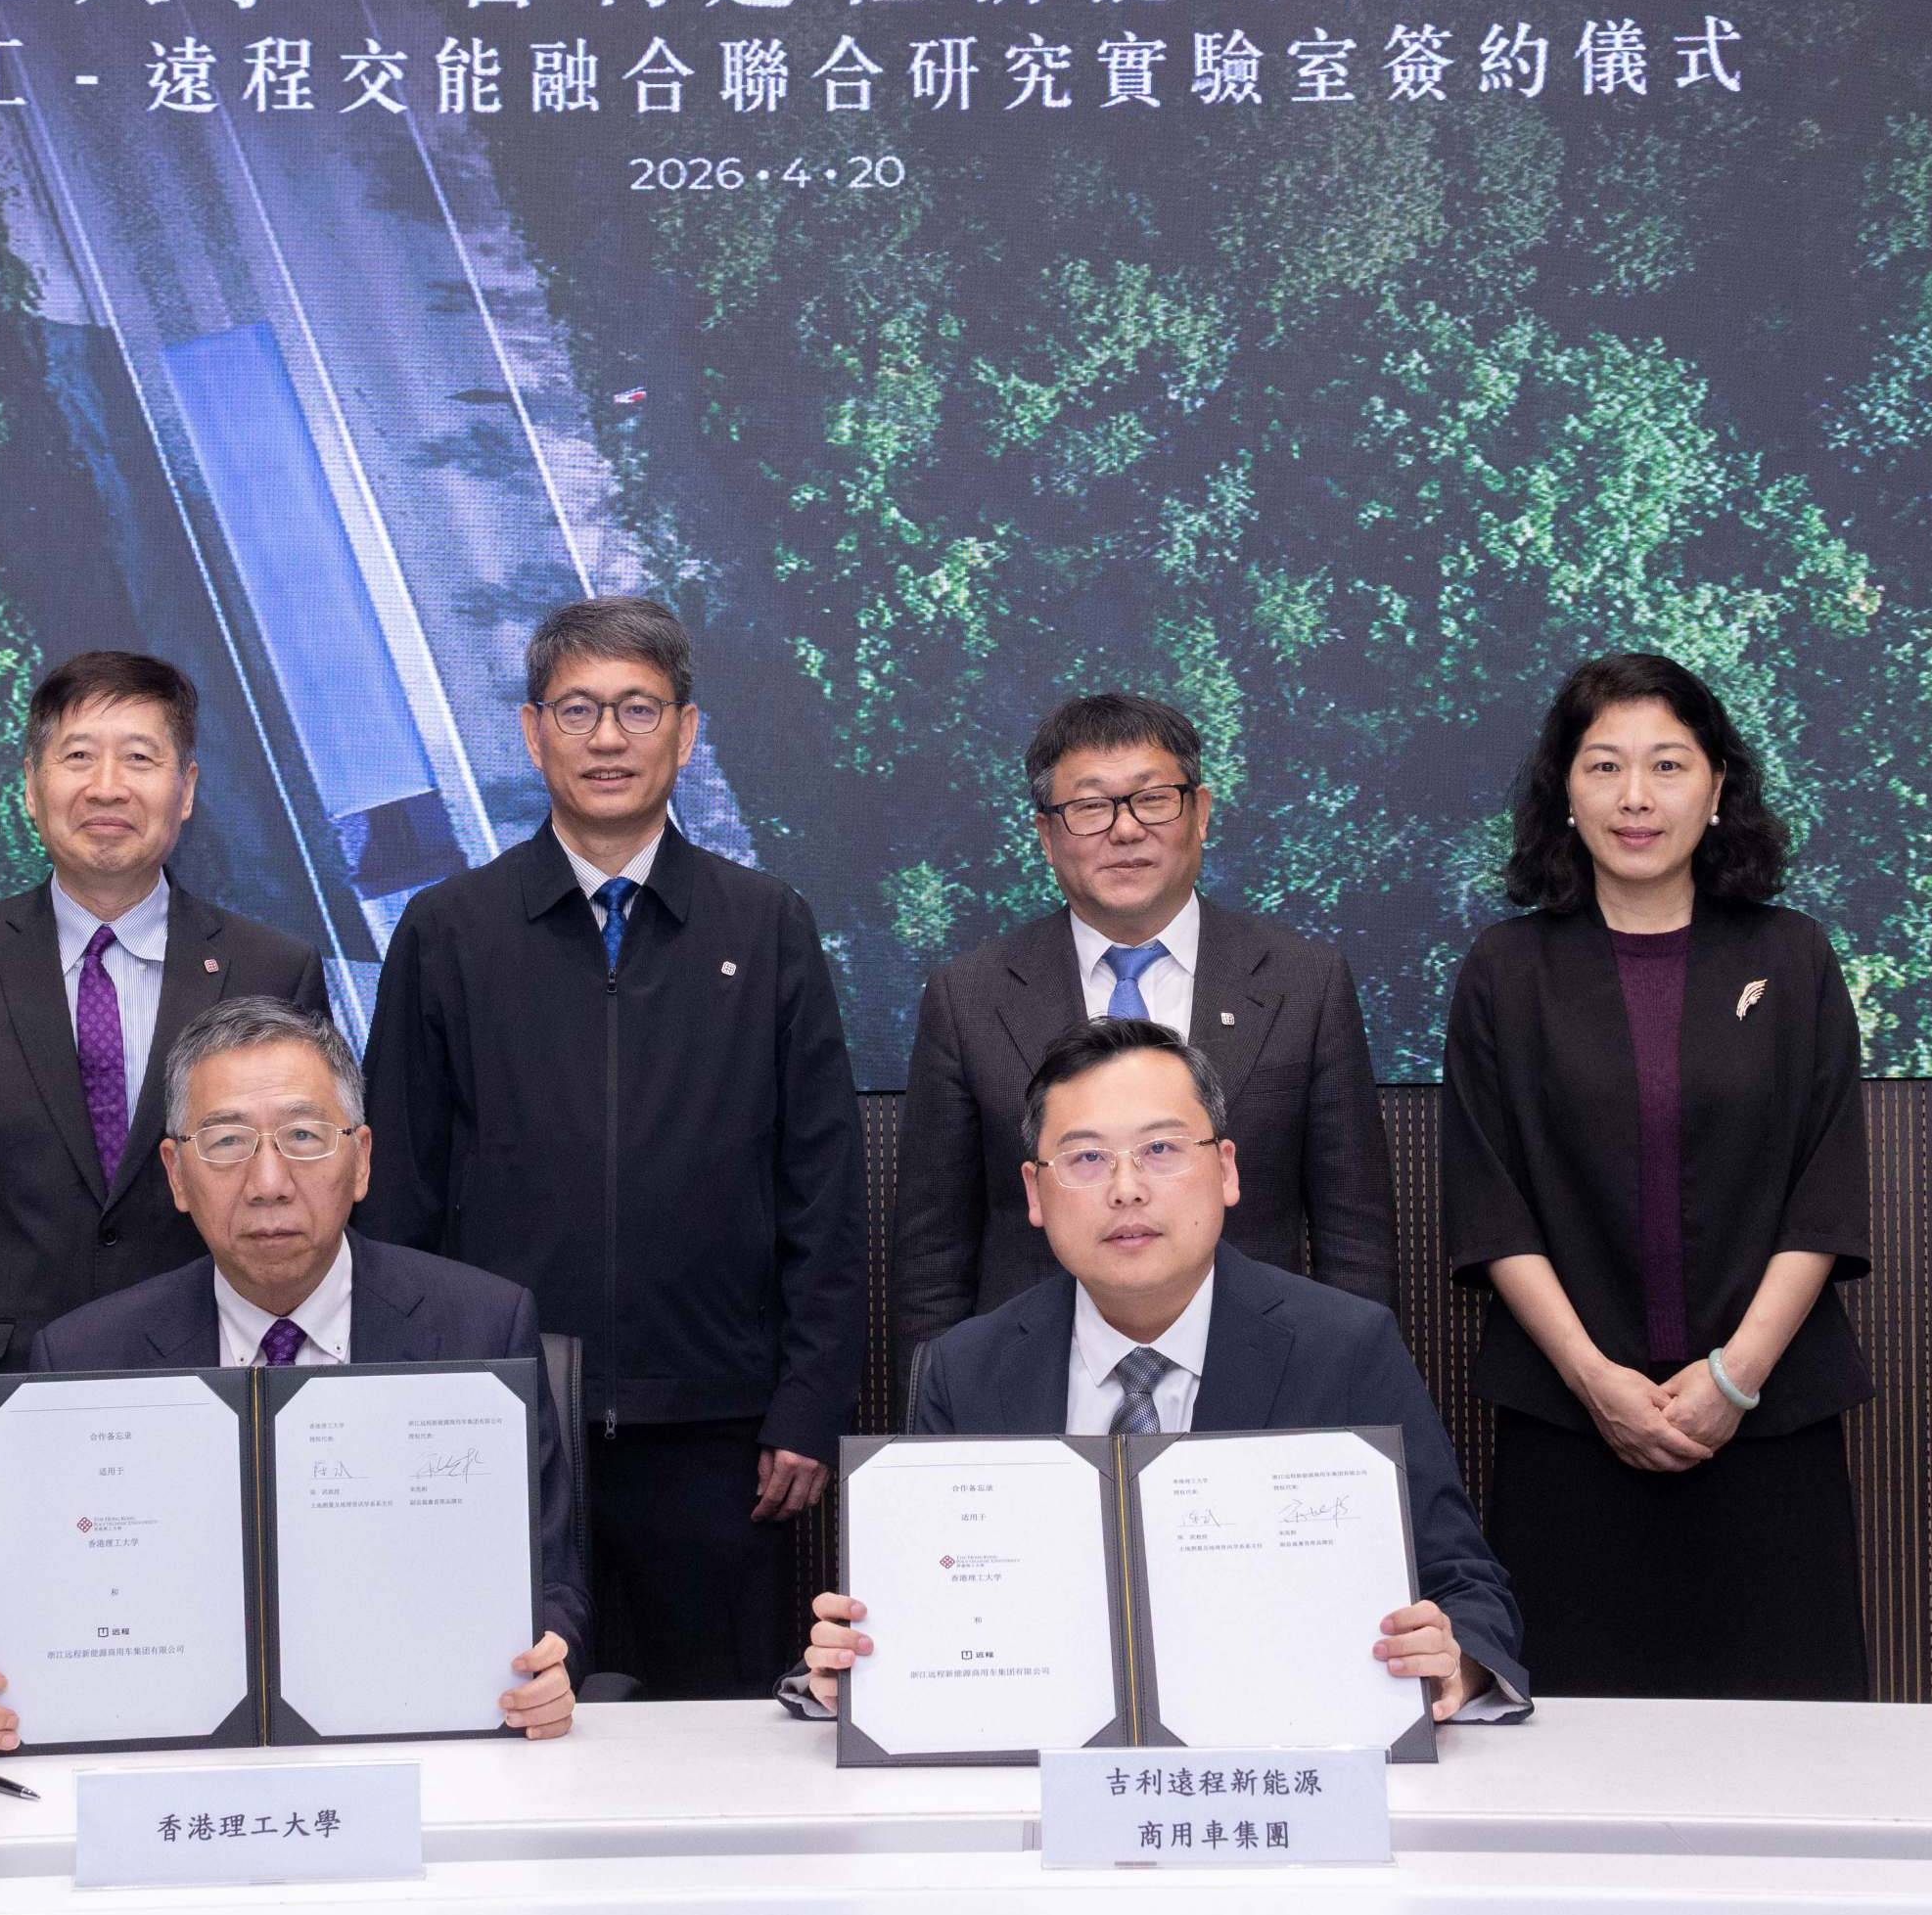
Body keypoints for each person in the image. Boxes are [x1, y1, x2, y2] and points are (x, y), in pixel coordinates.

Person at [357, 596, 861, 1699]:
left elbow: (821, 1187)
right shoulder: (449, 931)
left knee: (715, 1742)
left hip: (720, 1431)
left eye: (638, 708)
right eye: (577, 709)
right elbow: (396, 1197)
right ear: (532, 731)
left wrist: (807, 1403)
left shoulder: (765, 924)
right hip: (497, 1427)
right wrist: (403, 1408)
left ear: (686, 731)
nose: (607, 738)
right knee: (505, 1719)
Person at [797, 1016, 1525, 1723]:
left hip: (1274, 1762)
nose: (1126, 1188)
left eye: (1161, 1149)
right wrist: (857, 1666)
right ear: (1035, 1193)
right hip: (1035, 1768)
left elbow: (1464, 1586)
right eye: (1086, 1158)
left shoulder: (1345, 1348)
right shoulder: (965, 1371)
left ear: (1226, 1169)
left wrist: (1453, 1662)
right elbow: (925, 1606)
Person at [0, 996, 580, 1754]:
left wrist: (548, 1660)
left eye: (304, 1136)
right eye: (228, 1142)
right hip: (176, 1763)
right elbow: (40, 1609)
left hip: (420, 1749)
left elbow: (551, 1584)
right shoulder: (84, 1360)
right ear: (176, 1174)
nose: (269, 1181)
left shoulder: (480, 1328)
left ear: (361, 1160)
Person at [0, 652, 327, 1628]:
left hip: (224, 1415)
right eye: (78, 756)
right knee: (22, 1697)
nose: (108, 786)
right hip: (9, 1428)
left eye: (140, 757)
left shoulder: (270, 969)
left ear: (185, 790)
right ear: (31, 787)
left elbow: (312, 1211)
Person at [1441, 652, 1874, 1700]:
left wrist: (1732, 1379)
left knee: (1793, 1750)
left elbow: (1823, 1193)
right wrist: (1596, 1381)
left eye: (1667, 764)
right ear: (1565, 792)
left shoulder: (1794, 956)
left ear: (1718, 787)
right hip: (1569, 1428)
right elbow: (1493, 1207)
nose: (1635, 796)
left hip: (1766, 1426)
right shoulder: (1505, 970)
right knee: (1568, 1749)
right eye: (1605, 766)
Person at [894, 694, 1397, 1374]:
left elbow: (1355, 1239)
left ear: (1201, 812)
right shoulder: (968, 997)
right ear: (1046, 835)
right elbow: (932, 1255)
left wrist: (1348, 1399)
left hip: (1263, 1384)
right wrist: (939, 1418)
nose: (1125, 830)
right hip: (1032, 1392)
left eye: (1153, 799)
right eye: (1090, 806)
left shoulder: (1304, 983)